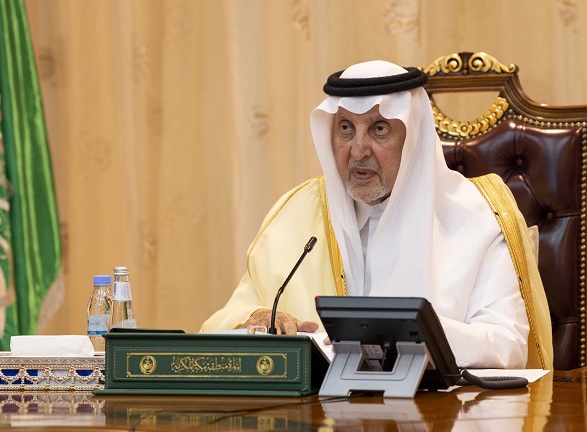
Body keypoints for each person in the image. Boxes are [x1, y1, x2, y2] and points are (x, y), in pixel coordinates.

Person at [201, 60, 553, 369]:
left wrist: (410, 334)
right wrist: (256, 320)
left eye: (379, 129)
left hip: (445, 417)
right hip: (320, 417)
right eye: (345, 128)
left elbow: (507, 344)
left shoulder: (479, 215)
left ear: (412, 138)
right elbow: (222, 322)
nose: (358, 150)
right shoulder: (297, 214)